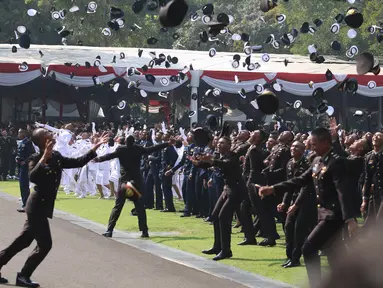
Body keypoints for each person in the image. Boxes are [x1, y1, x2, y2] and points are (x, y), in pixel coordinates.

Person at [0, 128, 108, 287]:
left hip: (42, 206)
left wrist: (95, 148)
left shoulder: (57, 156)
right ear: (44, 140)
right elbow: (33, 177)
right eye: (49, 134)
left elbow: (77, 162)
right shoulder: (35, 158)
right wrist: (44, 158)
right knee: (45, 245)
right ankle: (24, 275)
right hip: (36, 206)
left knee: (23, 241)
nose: (53, 135)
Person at [259, 128, 358, 287]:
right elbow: (300, 180)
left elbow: (343, 191)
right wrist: (273, 188)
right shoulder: (317, 161)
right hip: (323, 214)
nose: (311, 147)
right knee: (334, 254)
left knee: (308, 248)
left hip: (334, 215)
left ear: (325, 143)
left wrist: (350, 218)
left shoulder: (336, 161)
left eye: (314, 144)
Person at [96, 135, 175, 238]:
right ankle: (144, 231)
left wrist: (98, 159)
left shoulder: (121, 150)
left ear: (125, 142)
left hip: (125, 181)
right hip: (136, 181)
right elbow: (152, 149)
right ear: (134, 142)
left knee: (118, 206)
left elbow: (110, 156)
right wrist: (167, 143)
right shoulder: (138, 149)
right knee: (139, 206)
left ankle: (109, 230)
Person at [195, 136, 247, 261]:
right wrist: (198, 163)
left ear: (229, 145)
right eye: (218, 143)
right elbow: (210, 165)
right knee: (215, 216)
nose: (218, 145)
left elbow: (225, 165)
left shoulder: (232, 156)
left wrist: (211, 160)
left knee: (223, 217)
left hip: (236, 190)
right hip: (227, 189)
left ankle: (226, 250)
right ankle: (217, 247)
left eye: (222, 143)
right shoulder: (220, 156)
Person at [15, 129, 35, 212]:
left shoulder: (28, 142)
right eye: (18, 132)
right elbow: (20, 153)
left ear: (24, 133)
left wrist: (25, 161)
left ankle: (26, 205)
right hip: (20, 166)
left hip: (26, 166)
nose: (19, 134)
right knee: (22, 185)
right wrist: (17, 158)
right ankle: (25, 204)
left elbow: (32, 154)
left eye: (20, 132)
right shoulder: (21, 142)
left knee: (24, 185)